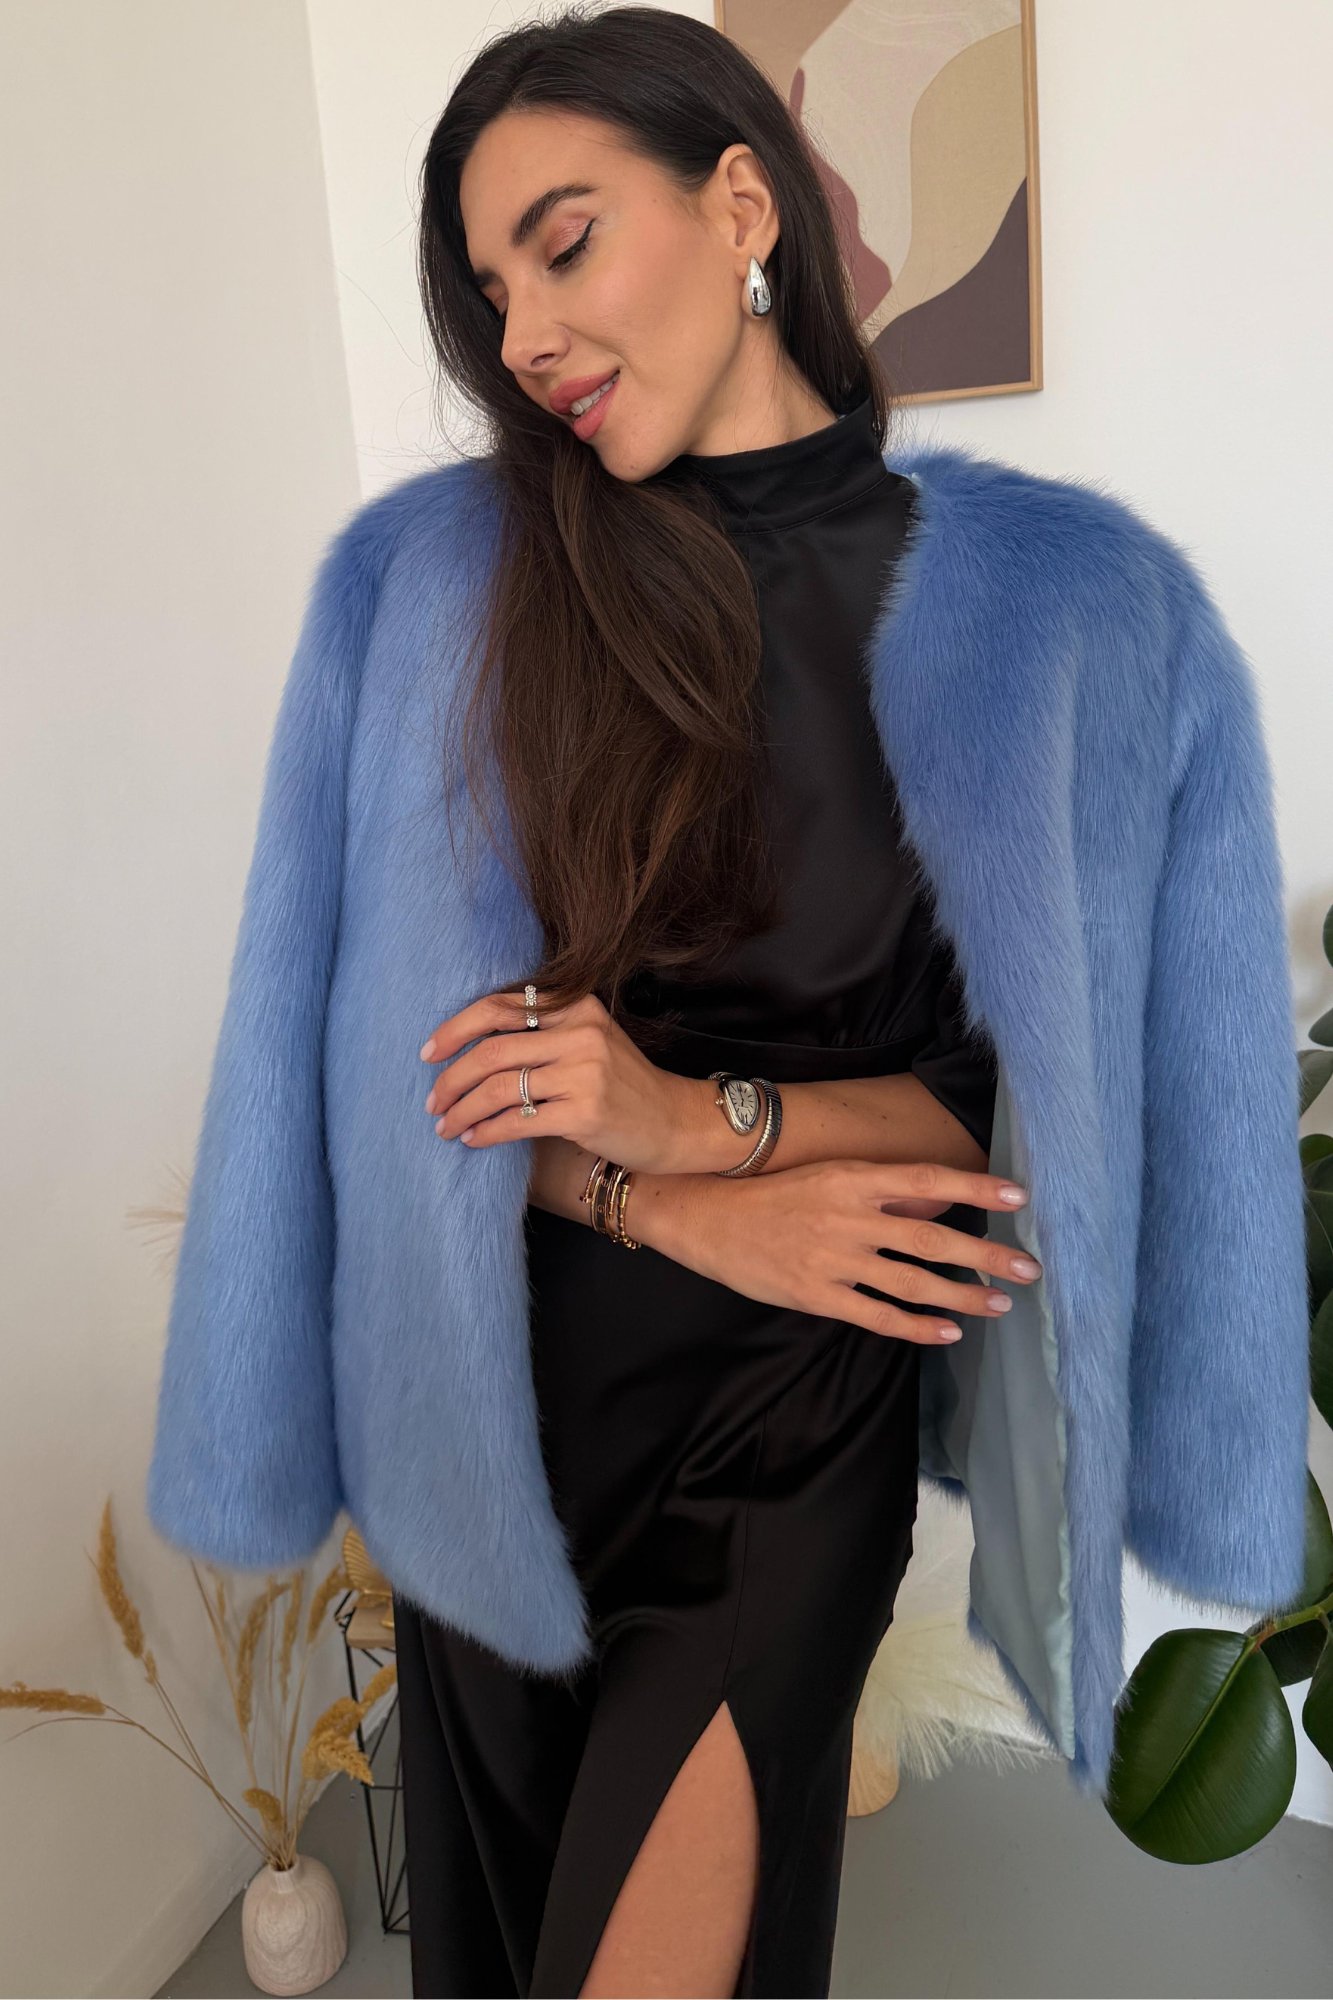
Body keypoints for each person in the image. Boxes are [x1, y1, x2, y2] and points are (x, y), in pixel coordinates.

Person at [145, 8, 1312, 1999]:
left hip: (786, 1423)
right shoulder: (469, 598)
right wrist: (665, 1200)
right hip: (504, 1407)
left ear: (743, 205)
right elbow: (400, 1094)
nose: (523, 333)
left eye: (564, 243)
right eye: (489, 291)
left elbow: (1013, 1117)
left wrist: (697, 1122)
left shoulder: (1034, 614)